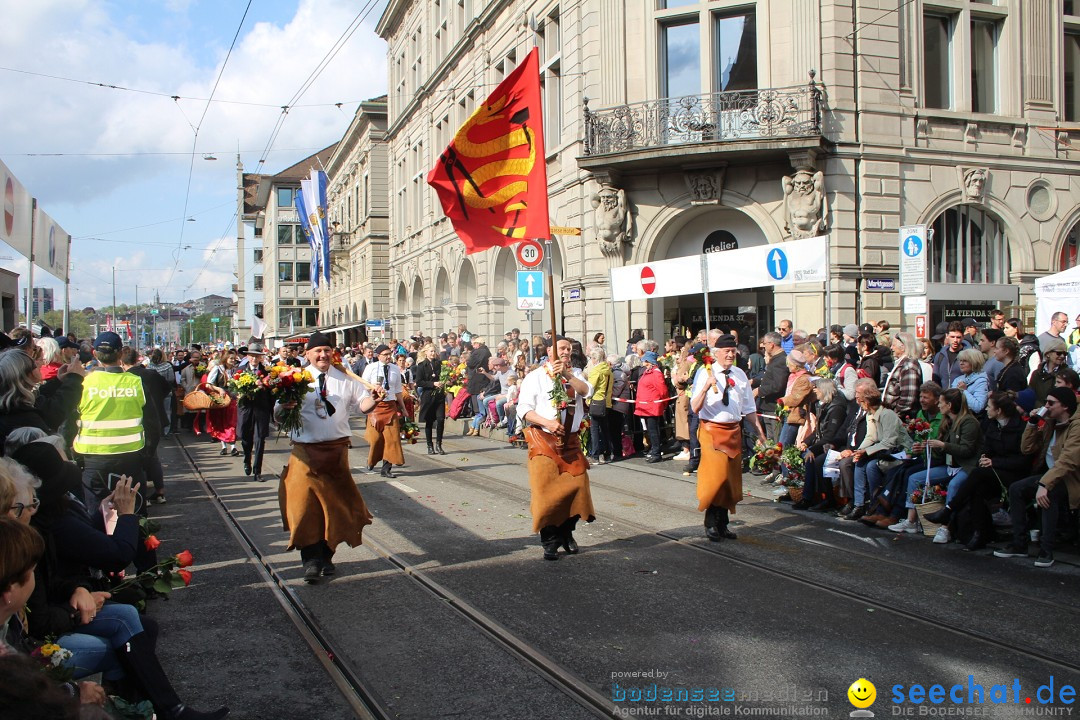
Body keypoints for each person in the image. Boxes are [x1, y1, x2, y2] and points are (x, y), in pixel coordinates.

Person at [277, 332, 377, 582]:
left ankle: (327, 554)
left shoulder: (345, 377)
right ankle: (310, 560)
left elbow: (361, 404)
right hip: (304, 452)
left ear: (333, 352)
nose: (322, 355)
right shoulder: (295, 378)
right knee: (304, 507)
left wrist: (374, 401)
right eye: (317, 351)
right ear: (307, 354)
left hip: (336, 452)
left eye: (326, 350)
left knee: (334, 508)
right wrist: (283, 407)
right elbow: (278, 414)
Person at [516, 337, 596, 560]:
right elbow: (523, 409)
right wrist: (548, 422)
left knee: (577, 487)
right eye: (562, 348)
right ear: (550, 350)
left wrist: (567, 375)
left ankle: (567, 533)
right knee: (546, 493)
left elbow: (586, 391)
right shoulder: (535, 376)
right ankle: (550, 541)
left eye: (569, 349)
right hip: (544, 440)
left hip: (570, 441)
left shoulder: (576, 374)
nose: (566, 352)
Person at [927, 391, 1031, 551]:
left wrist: (993, 461)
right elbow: (986, 448)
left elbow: (1023, 460)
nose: (986, 409)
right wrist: (985, 457)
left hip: (1013, 473)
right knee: (977, 489)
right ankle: (980, 533)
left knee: (976, 475)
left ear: (999, 411)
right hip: (993, 471)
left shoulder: (1020, 429)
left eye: (989, 407)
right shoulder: (992, 425)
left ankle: (949, 510)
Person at [690, 334, 766, 541]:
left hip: (733, 431)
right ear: (716, 354)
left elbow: (749, 408)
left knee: (730, 481)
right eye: (727, 351)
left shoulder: (740, 374)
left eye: (733, 351)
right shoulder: (704, 372)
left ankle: (723, 523)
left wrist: (760, 434)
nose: (731, 355)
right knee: (716, 478)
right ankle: (710, 523)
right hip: (711, 430)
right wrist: (707, 386)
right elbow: (695, 407)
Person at [994, 387, 1080, 568]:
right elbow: (1026, 448)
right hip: (1050, 475)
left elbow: (1067, 461)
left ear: (1064, 407)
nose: (1046, 406)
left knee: (1048, 495)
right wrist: (1032, 423)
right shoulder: (1051, 423)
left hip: (1070, 479)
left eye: (1051, 403)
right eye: (1046, 402)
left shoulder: (1076, 426)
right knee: (1017, 488)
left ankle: (1046, 550)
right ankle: (1019, 543)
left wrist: (1044, 484)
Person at [73, 332, 158, 509]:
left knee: (96, 515)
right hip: (131, 458)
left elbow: (70, 423)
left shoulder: (85, 383)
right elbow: (152, 425)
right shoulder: (136, 383)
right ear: (120, 354)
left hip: (93, 459)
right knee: (133, 513)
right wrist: (146, 456)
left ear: (95, 354)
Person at [890, 389, 982, 536]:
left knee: (954, 485)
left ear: (949, 405)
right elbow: (941, 451)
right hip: (949, 465)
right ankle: (911, 521)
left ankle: (945, 528)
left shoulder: (969, 422)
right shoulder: (948, 421)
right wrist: (925, 447)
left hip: (965, 466)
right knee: (914, 478)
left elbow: (967, 451)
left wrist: (943, 445)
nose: (939, 406)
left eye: (941, 402)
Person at [120, 347, 170, 506]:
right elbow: (167, 388)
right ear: (136, 359)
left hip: (137, 422)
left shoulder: (125, 379)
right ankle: (160, 491)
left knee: (138, 460)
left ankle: (142, 495)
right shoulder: (152, 374)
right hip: (155, 420)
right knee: (153, 457)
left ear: (122, 361)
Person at [792, 378, 849, 511]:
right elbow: (819, 431)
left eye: (816, 388)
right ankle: (808, 495)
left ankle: (824, 498)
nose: (814, 391)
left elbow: (830, 435)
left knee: (816, 460)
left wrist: (813, 449)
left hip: (835, 445)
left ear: (824, 389)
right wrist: (805, 443)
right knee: (804, 455)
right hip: (824, 443)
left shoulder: (836, 408)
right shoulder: (823, 405)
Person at [361, 344, 407, 478]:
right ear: (378, 355)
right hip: (375, 407)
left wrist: (403, 408)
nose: (388, 357)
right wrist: (372, 390)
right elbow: (363, 386)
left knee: (392, 439)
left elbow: (398, 391)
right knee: (376, 439)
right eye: (385, 354)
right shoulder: (371, 368)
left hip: (390, 406)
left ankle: (386, 469)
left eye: (389, 354)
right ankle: (372, 460)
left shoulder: (395, 369)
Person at [236, 343, 273, 482]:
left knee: (260, 439)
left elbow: (272, 392)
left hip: (261, 409)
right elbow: (233, 389)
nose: (254, 359)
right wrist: (240, 394)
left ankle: (257, 471)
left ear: (260, 358)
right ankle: (247, 459)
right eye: (251, 356)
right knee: (246, 438)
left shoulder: (267, 372)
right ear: (247, 356)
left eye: (257, 356)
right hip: (246, 409)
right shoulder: (240, 371)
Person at [635, 351, 669, 463]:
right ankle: (654, 449)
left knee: (653, 430)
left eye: (645, 361)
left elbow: (662, 390)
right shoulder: (648, 372)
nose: (644, 363)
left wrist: (663, 403)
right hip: (646, 406)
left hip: (652, 406)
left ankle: (656, 452)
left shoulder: (656, 373)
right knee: (650, 430)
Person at [414, 343, 447, 455]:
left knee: (441, 419)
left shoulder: (439, 364)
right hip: (428, 396)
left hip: (439, 396)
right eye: (431, 351)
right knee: (429, 421)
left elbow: (444, 375)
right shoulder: (422, 365)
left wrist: (445, 381)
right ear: (426, 352)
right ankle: (429, 445)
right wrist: (433, 384)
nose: (433, 353)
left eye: (434, 351)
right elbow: (419, 382)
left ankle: (439, 444)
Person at [881, 332, 922, 420]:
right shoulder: (902, 364)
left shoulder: (909, 366)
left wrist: (895, 415)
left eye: (894, 345)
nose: (891, 348)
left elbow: (908, 398)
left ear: (903, 347)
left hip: (901, 420)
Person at [585, 346, 612, 464]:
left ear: (595, 358)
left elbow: (590, 388)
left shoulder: (596, 371)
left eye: (592, 358)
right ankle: (607, 453)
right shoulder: (608, 370)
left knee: (595, 429)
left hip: (596, 401)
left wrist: (586, 399)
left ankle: (595, 455)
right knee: (605, 429)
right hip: (606, 402)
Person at [950, 348, 989, 415]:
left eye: (965, 361)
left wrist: (963, 391)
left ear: (974, 362)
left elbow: (978, 407)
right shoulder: (958, 379)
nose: (961, 363)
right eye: (960, 361)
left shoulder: (981, 381)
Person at [933, 322, 966, 389]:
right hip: (943, 396)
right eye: (952, 337)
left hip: (962, 397)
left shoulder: (969, 355)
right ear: (947, 336)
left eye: (958, 337)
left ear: (963, 337)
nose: (955, 340)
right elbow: (935, 381)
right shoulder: (939, 356)